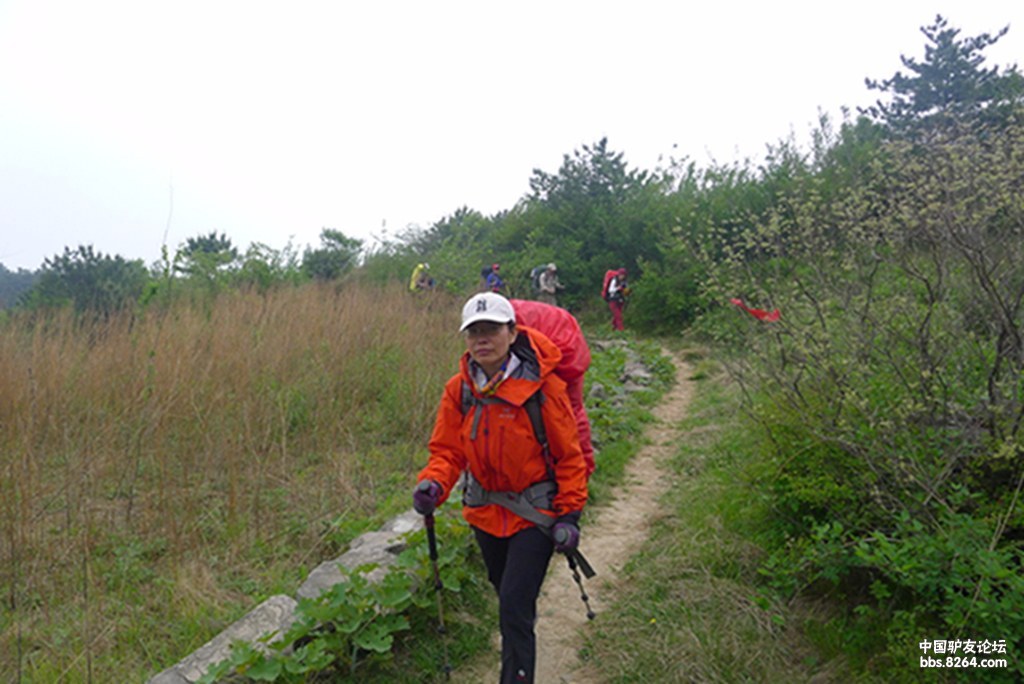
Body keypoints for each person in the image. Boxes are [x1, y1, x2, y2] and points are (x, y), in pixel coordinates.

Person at [413, 292, 588, 684]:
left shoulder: (544, 389)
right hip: (485, 514)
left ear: (512, 332)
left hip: (535, 515)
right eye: (473, 331)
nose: (481, 339)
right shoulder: (459, 390)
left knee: (511, 604)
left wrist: (570, 513)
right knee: (509, 596)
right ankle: (521, 632)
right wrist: (434, 483)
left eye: (491, 329)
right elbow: (447, 451)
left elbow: (569, 457)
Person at [510, 298, 595, 477]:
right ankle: (579, 475)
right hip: (570, 350)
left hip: (549, 350)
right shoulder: (559, 323)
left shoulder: (505, 318)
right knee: (572, 412)